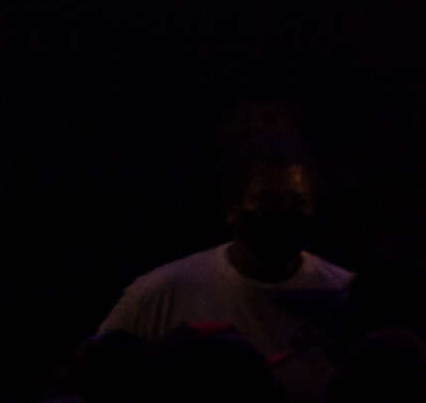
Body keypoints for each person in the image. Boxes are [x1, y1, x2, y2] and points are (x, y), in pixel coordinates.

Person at [98, 137, 348, 399]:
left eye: (297, 202)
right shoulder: (158, 296)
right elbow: (93, 378)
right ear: (232, 208)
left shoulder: (344, 296)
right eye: (266, 200)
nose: (282, 213)